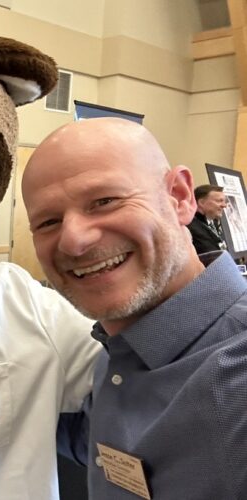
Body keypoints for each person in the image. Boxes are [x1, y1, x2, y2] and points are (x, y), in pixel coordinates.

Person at [22, 117, 247, 500]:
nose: (74, 241)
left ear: (179, 196)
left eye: (104, 201)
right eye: (49, 221)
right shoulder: (116, 352)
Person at [187, 184, 228, 254]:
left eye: (224, 202)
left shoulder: (214, 223)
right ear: (201, 203)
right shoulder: (190, 227)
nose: (224, 205)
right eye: (219, 201)